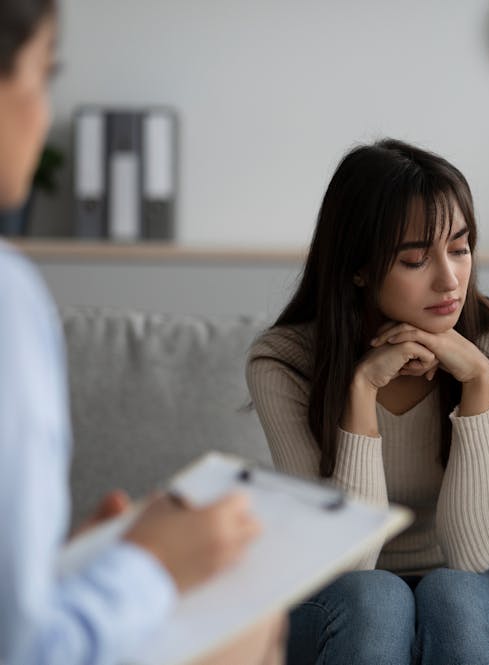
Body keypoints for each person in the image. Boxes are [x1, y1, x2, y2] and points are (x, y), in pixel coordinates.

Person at [0, 2, 285, 663]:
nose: (45, 113)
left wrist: (70, 565)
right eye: (44, 76)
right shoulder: (8, 296)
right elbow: (28, 648)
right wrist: (150, 562)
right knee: (249, 618)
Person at [246, 138, 489, 665]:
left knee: (451, 594)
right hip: (338, 587)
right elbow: (349, 562)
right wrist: (360, 394)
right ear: (359, 267)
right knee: (376, 598)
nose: (450, 278)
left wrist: (478, 383)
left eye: (460, 248)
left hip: (475, 587)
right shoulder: (286, 363)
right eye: (415, 258)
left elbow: (472, 556)